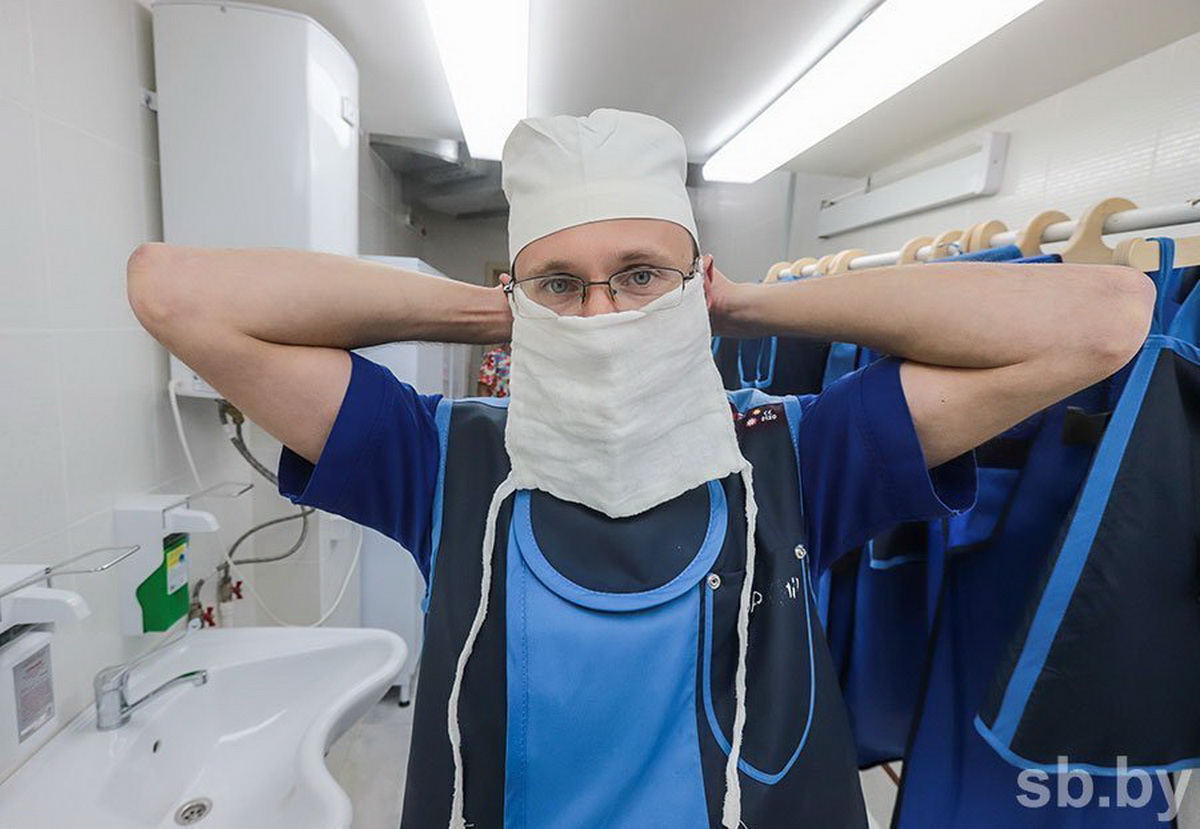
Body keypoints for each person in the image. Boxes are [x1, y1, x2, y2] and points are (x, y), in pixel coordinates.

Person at [126, 108, 1153, 828]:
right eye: (560, 284)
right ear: (518, 295)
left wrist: (747, 303)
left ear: (695, 281)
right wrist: (492, 309)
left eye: (641, 277)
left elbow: (1106, 319)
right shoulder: (441, 456)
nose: (604, 313)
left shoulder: (795, 451)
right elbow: (173, 293)